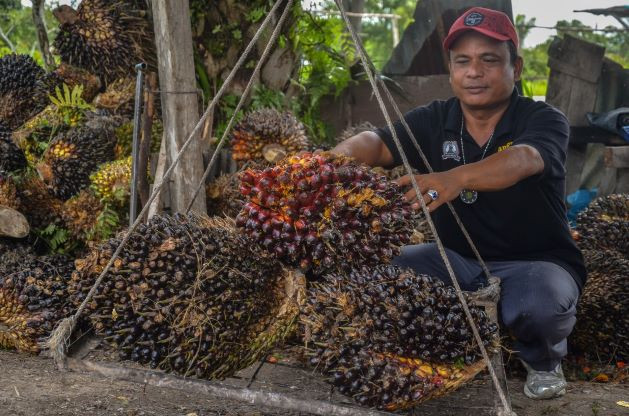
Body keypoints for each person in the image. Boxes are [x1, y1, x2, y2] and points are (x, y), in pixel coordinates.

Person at [332, 7, 586, 400]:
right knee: (380, 272)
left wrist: (455, 178)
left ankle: (543, 361)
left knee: (538, 304)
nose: (474, 72)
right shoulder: (434, 118)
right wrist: (328, 162)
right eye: (462, 61)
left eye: (489, 60)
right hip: (454, 259)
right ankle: (433, 351)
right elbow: (379, 142)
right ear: (451, 71)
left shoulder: (543, 118)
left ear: (515, 68)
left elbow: (525, 158)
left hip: (536, 262)